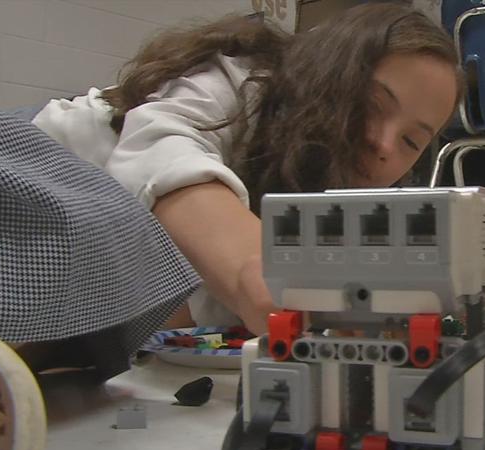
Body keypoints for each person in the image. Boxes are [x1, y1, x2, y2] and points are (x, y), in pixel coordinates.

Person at [32, 2, 461, 338]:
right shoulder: (242, 79)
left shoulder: (337, 205)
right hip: (32, 183)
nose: (383, 144)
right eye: (373, 105)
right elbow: (164, 151)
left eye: (410, 141)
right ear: (333, 75)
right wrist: (262, 269)